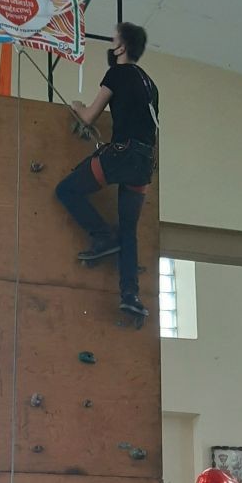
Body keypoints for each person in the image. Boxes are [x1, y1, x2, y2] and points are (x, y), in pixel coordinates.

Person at [55, 21, 159, 319]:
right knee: (129, 230)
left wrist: (77, 106)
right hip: (144, 162)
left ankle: (103, 236)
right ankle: (131, 296)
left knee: (67, 190)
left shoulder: (117, 73)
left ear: (122, 47)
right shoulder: (151, 84)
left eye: (114, 41)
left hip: (123, 154)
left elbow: (89, 116)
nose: (111, 46)